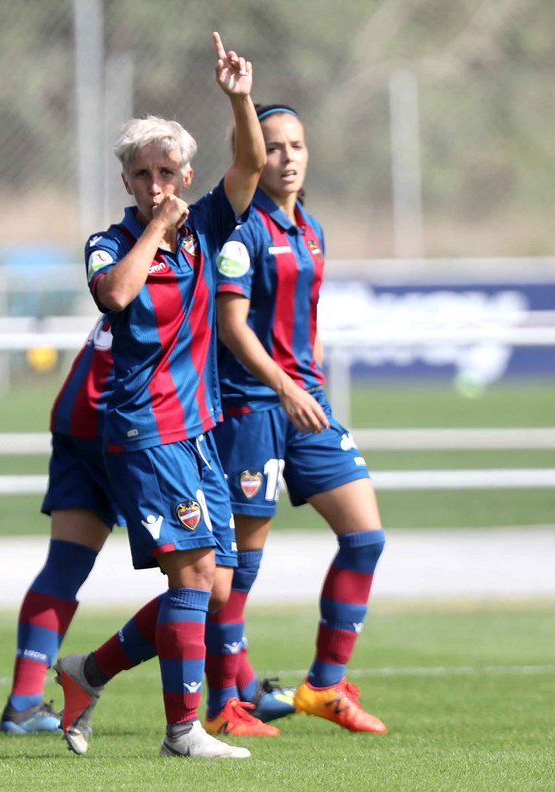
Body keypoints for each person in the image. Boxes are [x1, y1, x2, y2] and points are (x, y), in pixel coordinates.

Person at [54, 32, 268, 758]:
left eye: (167, 173)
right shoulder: (110, 242)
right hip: (145, 431)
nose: (156, 186)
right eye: (142, 175)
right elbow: (115, 296)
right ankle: (183, 731)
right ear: (127, 183)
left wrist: (239, 97)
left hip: (200, 429)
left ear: (185, 173)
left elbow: (251, 164)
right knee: (191, 574)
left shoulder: (207, 225)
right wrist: (153, 230)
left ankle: (88, 670)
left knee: (213, 585)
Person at [212, 103, 387, 734]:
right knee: (240, 566)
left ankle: (325, 686)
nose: (287, 158)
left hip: (306, 402)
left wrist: (301, 383)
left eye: (297, 146)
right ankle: (227, 704)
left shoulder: (310, 227)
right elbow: (231, 328)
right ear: (252, 155)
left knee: (365, 537)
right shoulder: (241, 231)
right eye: (274, 147)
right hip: (252, 406)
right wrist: (284, 386)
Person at [0, 316, 118, 734]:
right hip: (127, 422)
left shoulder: (132, 256)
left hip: (80, 412)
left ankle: (25, 703)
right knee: (200, 570)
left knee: (65, 565)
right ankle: (230, 695)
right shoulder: (190, 264)